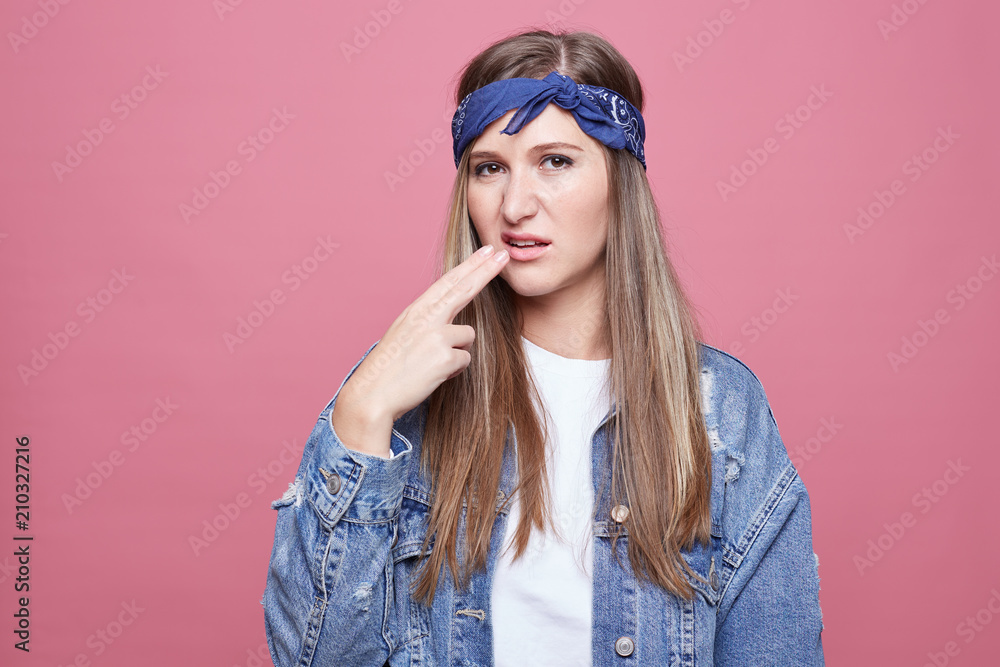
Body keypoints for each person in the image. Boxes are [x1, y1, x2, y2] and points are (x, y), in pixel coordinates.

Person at [262, 28, 824, 666]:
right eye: (489, 168)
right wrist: (360, 417)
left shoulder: (723, 409)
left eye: (555, 161)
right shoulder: (397, 393)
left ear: (620, 181)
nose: (515, 205)